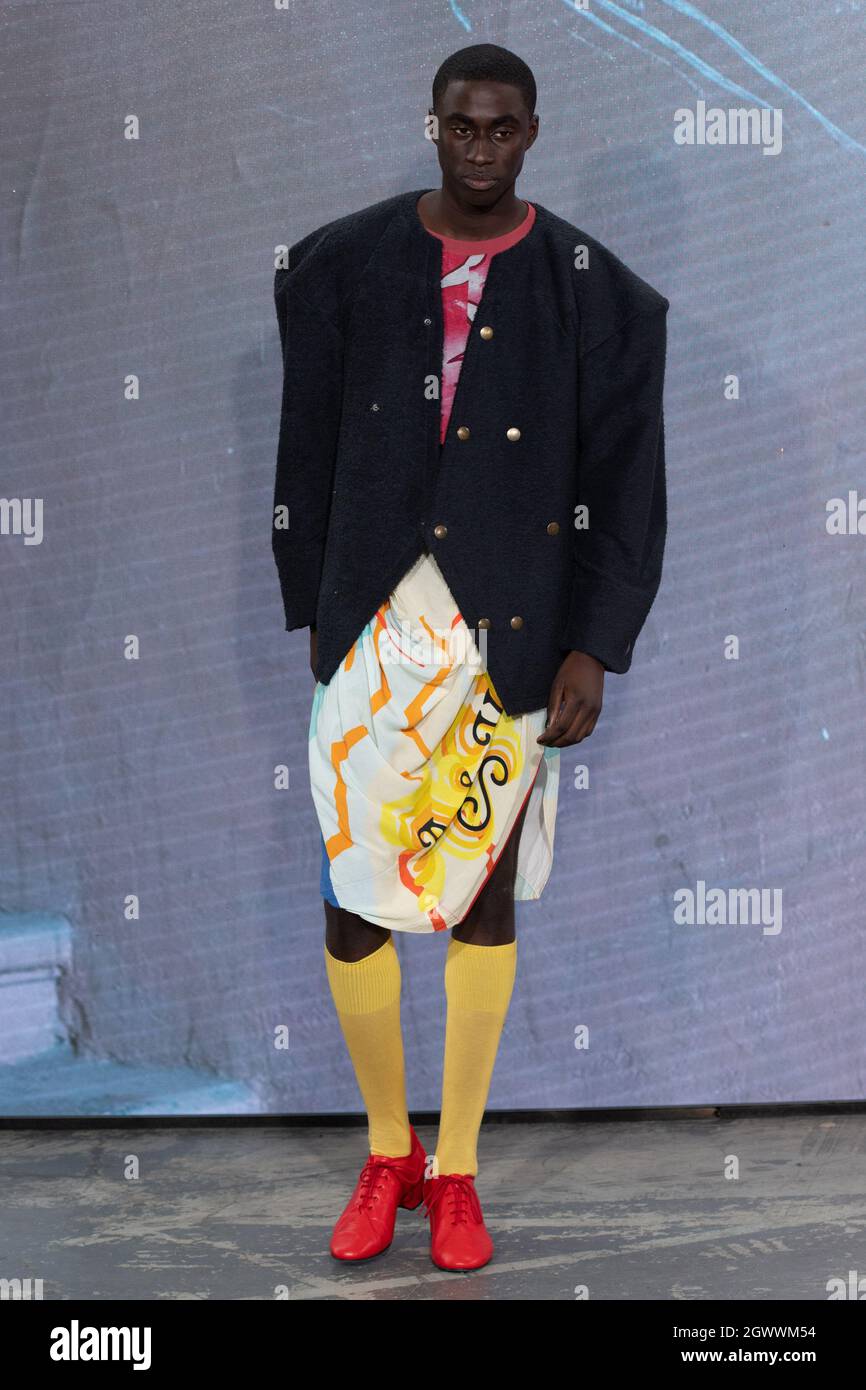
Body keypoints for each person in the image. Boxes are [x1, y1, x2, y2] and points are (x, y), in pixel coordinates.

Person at [272, 43, 670, 1272]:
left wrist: (594, 645)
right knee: (354, 898)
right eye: (461, 126)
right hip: (374, 631)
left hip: (504, 636)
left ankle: (454, 1171)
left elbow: (626, 483)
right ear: (431, 125)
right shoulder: (341, 264)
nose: (480, 147)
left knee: (479, 892)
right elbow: (304, 448)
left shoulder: (593, 288)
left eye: (502, 129)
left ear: (532, 134)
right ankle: (384, 1149)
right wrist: (316, 614)